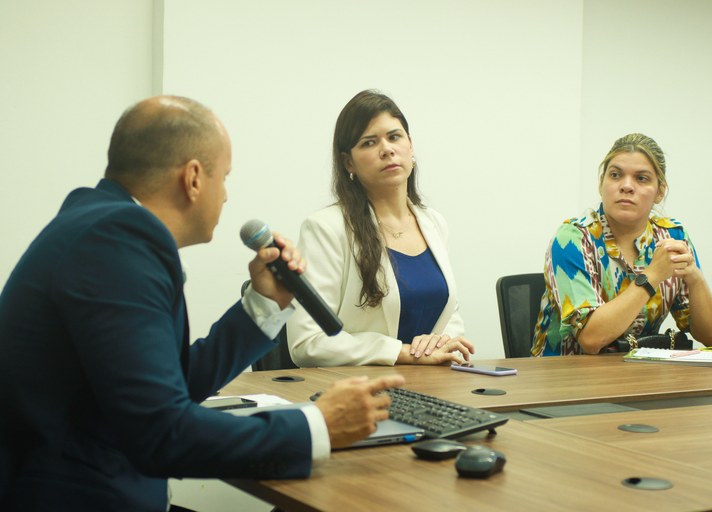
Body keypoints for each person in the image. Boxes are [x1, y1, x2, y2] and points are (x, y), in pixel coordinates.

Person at [0, 96, 405, 512]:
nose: (226, 196)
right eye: (224, 178)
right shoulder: (118, 242)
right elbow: (161, 433)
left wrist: (263, 304)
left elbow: (169, 386)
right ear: (193, 178)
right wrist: (317, 425)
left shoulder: (101, 223)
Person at [287, 90, 474, 367]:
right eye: (369, 143)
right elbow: (307, 343)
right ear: (348, 162)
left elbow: (450, 316)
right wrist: (403, 352)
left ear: (410, 146)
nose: (387, 149)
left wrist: (441, 342)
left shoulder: (433, 222)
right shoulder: (325, 229)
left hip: (433, 386)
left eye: (394, 137)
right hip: (360, 391)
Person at [532, 133, 712, 356]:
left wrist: (695, 279)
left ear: (660, 192)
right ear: (601, 183)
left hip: (640, 376)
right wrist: (652, 275)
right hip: (569, 380)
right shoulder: (574, 238)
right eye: (615, 175)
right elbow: (592, 339)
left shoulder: (672, 235)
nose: (626, 186)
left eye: (641, 178)